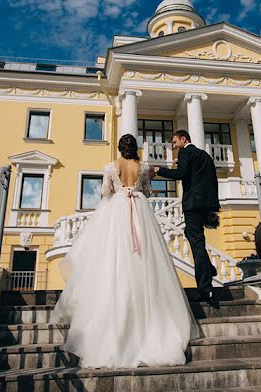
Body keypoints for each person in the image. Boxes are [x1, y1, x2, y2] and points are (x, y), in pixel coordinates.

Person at [51, 134, 198, 368]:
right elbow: (148, 192)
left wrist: (120, 189)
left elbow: (106, 193)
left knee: (113, 262)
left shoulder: (111, 166)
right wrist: (138, 186)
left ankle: (114, 331)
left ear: (120, 148)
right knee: (146, 263)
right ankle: (153, 329)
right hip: (139, 210)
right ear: (135, 148)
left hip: (118, 212)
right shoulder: (143, 166)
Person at [154, 130, 221, 307]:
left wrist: (159, 170)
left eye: (175, 142)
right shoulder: (204, 155)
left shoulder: (185, 152)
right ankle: (209, 269)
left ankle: (205, 289)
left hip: (192, 205)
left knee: (197, 244)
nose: (174, 146)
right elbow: (212, 180)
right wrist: (213, 205)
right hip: (205, 204)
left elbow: (180, 174)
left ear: (184, 139)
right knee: (193, 236)